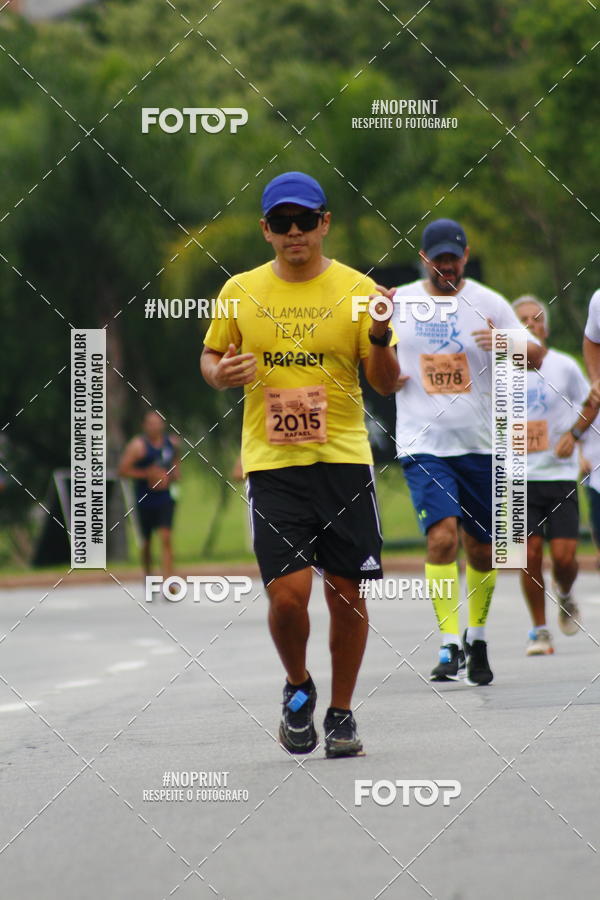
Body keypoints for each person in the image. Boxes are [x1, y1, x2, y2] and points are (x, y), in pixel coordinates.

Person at [201, 171, 399, 758]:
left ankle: (341, 713)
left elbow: (385, 382)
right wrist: (220, 374)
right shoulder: (239, 292)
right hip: (273, 464)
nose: (295, 233)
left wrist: (383, 337)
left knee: (346, 593)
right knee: (287, 597)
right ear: (266, 230)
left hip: (342, 460)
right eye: (282, 223)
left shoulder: (361, 291)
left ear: (324, 224)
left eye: (305, 221)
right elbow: (211, 357)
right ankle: (297, 685)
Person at [391, 219, 544, 685]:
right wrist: (381, 370)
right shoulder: (400, 302)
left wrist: (505, 342)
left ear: (465, 256)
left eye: (453, 259)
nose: (446, 268)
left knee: (483, 548)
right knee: (441, 539)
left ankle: (476, 637)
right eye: (437, 260)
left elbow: (536, 356)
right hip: (423, 442)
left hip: (481, 444)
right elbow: (367, 346)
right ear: (424, 260)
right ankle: (448, 642)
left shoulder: (488, 301)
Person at [513, 295, 589, 654]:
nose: (531, 324)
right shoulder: (499, 368)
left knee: (563, 557)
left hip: (558, 476)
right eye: (522, 319)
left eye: (537, 319)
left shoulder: (564, 366)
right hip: (518, 478)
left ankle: (566, 592)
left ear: (547, 326)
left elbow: (593, 401)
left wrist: (575, 437)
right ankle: (539, 630)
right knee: (529, 554)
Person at [118, 410, 179, 580]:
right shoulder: (138, 446)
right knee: (146, 542)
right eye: (151, 423)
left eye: (158, 423)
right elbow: (123, 470)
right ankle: (149, 575)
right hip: (144, 498)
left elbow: (175, 464)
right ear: (144, 426)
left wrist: (172, 476)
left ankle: (169, 580)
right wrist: (147, 474)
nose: (155, 427)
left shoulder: (171, 444)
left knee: (166, 537)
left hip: (165, 497)